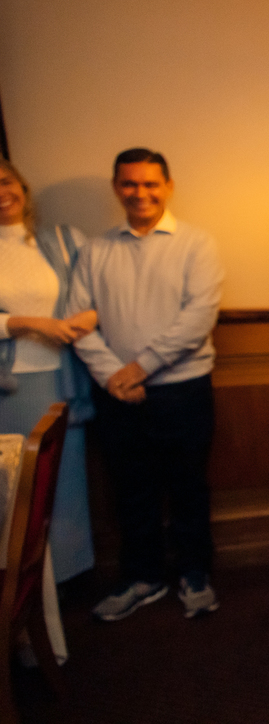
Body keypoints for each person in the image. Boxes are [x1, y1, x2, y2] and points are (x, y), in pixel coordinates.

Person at [70, 148, 224, 621]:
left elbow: (196, 319)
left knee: (187, 489)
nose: (140, 193)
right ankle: (143, 577)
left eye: (150, 183)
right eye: (130, 184)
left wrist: (138, 369)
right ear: (117, 188)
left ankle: (195, 574)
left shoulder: (196, 244)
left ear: (168, 185)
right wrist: (113, 377)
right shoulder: (95, 250)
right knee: (130, 491)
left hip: (183, 391)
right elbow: (78, 321)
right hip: (116, 394)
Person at [0, 158, 97, 583]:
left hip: (61, 380)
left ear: (21, 185)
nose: (2, 193)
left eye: (6, 182)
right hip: (10, 388)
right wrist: (29, 322)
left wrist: (88, 317)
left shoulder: (62, 240)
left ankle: (69, 581)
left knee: (63, 485)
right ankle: (23, 589)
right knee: (17, 490)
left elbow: (94, 295)